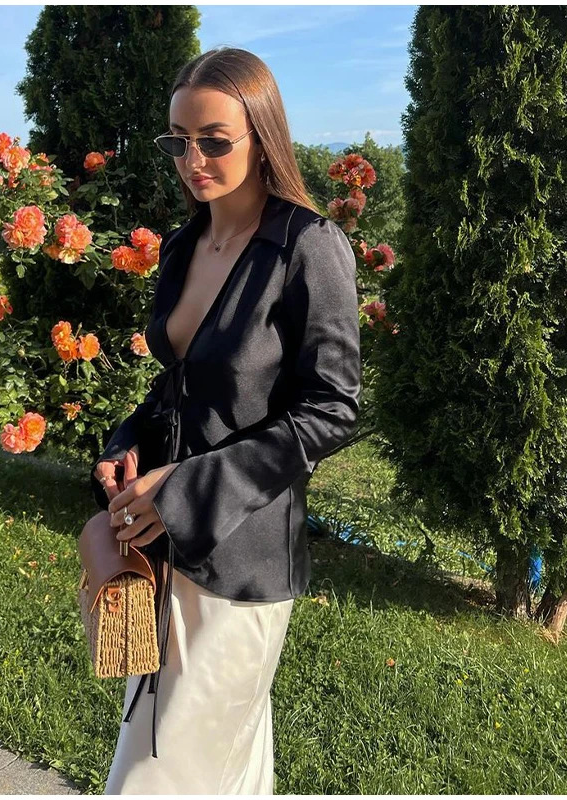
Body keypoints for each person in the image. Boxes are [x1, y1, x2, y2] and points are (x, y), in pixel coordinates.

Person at [90, 46, 362, 794]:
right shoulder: (183, 246)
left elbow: (332, 408)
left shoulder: (308, 248)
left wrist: (186, 489)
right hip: (161, 549)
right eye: (179, 141)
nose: (193, 161)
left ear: (262, 136)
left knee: (154, 776)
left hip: (242, 563)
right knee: (225, 771)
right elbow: (177, 385)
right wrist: (126, 443)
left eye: (214, 140)